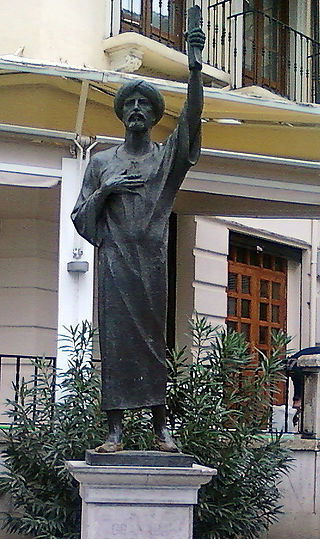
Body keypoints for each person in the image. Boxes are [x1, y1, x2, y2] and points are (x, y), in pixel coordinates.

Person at [71, 23, 205, 453]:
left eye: (144, 106)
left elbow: (190, 123)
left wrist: (195, 68)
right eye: (129, 104)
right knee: (115, 344)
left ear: (152, 116)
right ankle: (114, 431)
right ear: (122, 112)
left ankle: (161, 428)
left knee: (152, 341)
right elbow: (80, 215)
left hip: (151, 264)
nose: (136, 110)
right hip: (114, 263)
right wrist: (107, 190)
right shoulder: (102, 163)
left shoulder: (166, 159)